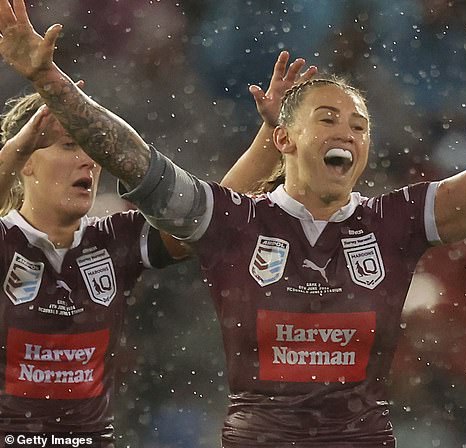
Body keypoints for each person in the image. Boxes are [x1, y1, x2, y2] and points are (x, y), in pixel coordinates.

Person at [2, 1, 466, 446]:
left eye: (360, 126)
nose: (348, 133)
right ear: (283, 138)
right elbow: (134, 158)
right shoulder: (231, 221)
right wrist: (48, 79)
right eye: (328, 118)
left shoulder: (400, 221)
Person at [0, 3, 315, 445]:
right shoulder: (8, 240)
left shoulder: (110, 242)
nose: (87, 161)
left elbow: (210, 213)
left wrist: (270, 136)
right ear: (27, 163)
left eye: (89, 149)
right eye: (69, 145)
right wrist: (17, 145)